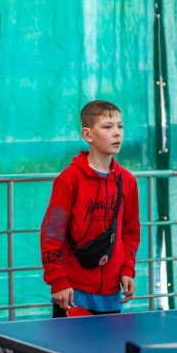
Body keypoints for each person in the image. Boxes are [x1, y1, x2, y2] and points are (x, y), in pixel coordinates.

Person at [40, 100, 141, 322]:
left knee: (109, 346)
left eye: (120, 126)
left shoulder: (128, 181)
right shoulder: (69, 179)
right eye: (107, 127)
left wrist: (127, 270)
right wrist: (58, 280)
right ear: (87, 134)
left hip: (111, 295)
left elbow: (131, 233)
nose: (117, 133)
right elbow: (52, 233)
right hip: (72, 293)